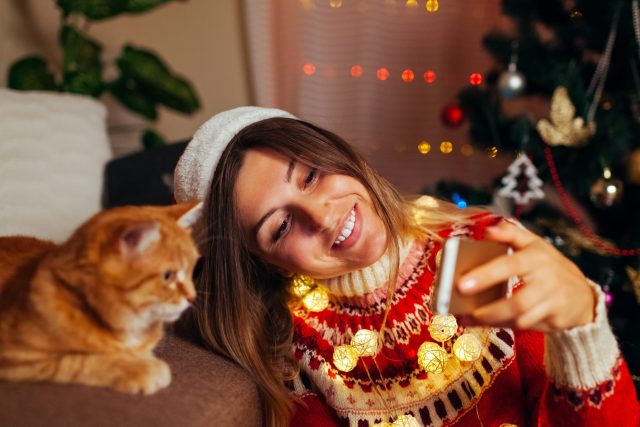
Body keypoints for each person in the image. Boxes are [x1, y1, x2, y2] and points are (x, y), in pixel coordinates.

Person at [173, 106, 639, 427]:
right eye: (279, 227)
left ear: (335, 152)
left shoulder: (481, 243)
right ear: (263, 261)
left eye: (311, 176)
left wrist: (582, 330)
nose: (322, 214)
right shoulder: (297, 357)